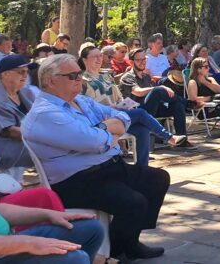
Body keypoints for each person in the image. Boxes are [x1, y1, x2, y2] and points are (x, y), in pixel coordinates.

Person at [22, 53, 170, 261]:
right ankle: (118, 251)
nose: (79, 79)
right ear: (49, 80)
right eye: (72, 75)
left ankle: (130, 239)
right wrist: (107, 132)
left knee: (158, 179)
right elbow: (95, 142)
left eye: (79, 74)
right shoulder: (45, 114)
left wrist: (102, 130)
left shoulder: (80, 101)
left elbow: (122, 116)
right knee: (134, 203)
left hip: (108, 167)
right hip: (76, 180)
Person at [80, 47, 189, 164]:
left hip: (118, 114)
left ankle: (142, 169)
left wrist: (123, 105)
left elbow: (118, 97)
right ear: (84, 60)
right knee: (141, 113)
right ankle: (168, 137)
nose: (98, 59)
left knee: (142, 129)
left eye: (100, 56)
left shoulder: (106, 77)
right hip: (102, 119)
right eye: (94, 57)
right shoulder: (82, 80)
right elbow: (84, 104)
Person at [0, 200, 104, 263]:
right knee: (75, 258)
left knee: (92, 228)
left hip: (7, 239)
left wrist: (48, 214)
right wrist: (27, 244)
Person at [118, 49, 192, 145]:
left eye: (144, 59)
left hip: (152, 109)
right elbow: (138, 92)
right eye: (138, 60)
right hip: (138, 111)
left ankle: (182, 141)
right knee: (157, 90)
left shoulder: (146, 76)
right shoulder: (127, 77)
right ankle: (187, 103)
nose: (142, 62)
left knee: (177, 105)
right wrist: (160, 88)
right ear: (131, 62)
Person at [0, 55, 37, 170]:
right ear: (4, 74)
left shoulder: (27, 93)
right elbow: (10, 131)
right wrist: (47, 137)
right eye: (21, 72)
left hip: (27, 150)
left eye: (27, 72)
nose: (25, 76)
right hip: (2, 155)